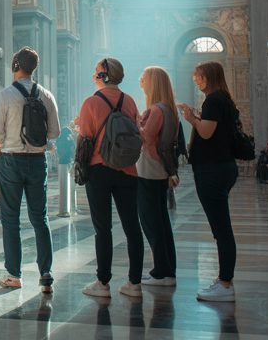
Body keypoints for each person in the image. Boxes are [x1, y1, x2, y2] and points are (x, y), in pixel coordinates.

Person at [0, 46, 59, 291]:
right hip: (37, 161)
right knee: (40, 217)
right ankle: (46, 273)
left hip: (11, 160)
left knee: (11, 218)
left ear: (16, 65)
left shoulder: (5, 95)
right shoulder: (47, 95)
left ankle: (14, 275)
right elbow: (54, 133)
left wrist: (1, 143)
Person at [78, 57, 144, 299]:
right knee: (132, 227)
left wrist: (80, 167)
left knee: (103, 228)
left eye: (97, 72)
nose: (94, 75)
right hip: (128, 169)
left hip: (99, 169)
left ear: (103, 75)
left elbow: (85, 138)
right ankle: (134, 283)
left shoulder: (91, 102)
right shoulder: (130, 101)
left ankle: (103, 282)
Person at [177, 60, 240, 303]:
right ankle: (224, 281)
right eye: (195, 77)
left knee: (221, 229)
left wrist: (191, 119)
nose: (197, 81)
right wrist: (196, 117)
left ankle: (225, 284)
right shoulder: (225, 100)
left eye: (201, 77)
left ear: (211, 77)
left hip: (212, 169)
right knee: (221, 228)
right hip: (222, 166)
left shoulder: (213, 100)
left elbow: (205, 132)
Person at [137, 66, 180, 287]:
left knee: (151, 223)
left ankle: (161, 272)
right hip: (159, 169)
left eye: (144, 78)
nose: (140, 81)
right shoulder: (168, 109)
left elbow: (145, 137)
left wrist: (132, 120)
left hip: (148, 168)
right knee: (162, 221)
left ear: (153, 82)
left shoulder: (156, 109)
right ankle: (168, 270)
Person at [54, 127, 75, 217]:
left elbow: (61, 150)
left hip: (63, 161)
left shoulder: (61, 139)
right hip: (68, 161)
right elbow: (72, 148)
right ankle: (70, 208)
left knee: (64, 184)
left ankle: (65, 210)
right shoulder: (69, 139)